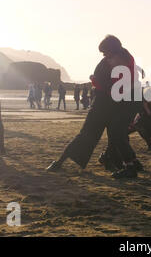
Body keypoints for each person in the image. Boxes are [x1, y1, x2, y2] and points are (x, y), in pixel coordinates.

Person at [47, 35, 143, 179]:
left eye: (105, 51)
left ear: (113, 50)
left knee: (100, 134)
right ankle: (128, 164)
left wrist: (94, 80)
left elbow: (114, 87)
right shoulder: (121, 57)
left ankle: (128, 165)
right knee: (109, 135)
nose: (104, 55)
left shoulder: (120, 60)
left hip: (107, 103)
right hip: (111, 103)